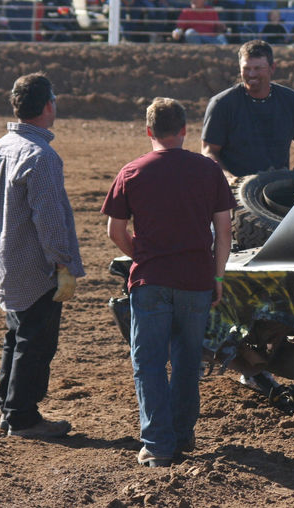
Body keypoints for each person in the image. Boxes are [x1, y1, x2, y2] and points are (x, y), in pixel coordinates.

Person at [101, 97, 235, 468]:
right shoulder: (208, 170)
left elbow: (115, 230)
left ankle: (159, 444)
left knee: (149, 364)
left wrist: (140, 255)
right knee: (188, 361)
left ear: (148, 131)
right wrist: (218, 275)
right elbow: (224, 231)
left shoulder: (132, 172)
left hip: (152, 279)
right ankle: (182, 433)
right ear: (184, 130)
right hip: (196, 280)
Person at [0, 72, 84, 438]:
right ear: (47, 106)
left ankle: (8, 406)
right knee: (36, 340)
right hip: (35, 262)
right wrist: (63, 264)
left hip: (7, 257)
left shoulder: (0, 147)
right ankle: (23, 417)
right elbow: (50, 218)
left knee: (17, 335)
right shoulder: (41, 155)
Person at [201, 39, 294, 183]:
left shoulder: (293, 101)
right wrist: (230, 179)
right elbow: (209, 151)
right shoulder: (222, 104)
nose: (251, 74)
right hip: (235, 189)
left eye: (258, 68)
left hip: (275, 188)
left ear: (272, 68)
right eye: (246, 68)